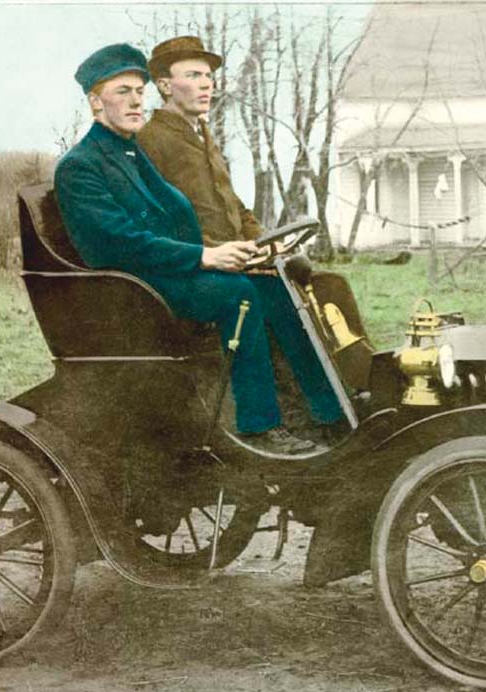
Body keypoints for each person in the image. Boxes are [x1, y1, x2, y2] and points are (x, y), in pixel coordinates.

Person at [53, 43, 324, 455]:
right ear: (95, 101)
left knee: (273, 288)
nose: (135, 100)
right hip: (132, 289)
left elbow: (178, 216)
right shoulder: (81, 165)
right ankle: (258, 428)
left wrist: (242, 251)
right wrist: (205, 256)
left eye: (139, 91)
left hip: (162, 273)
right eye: (122, 91)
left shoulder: (127, 151)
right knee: (241, 297)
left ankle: (323, 413)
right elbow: (118, 243)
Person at [138, 36, 345, 438]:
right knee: (255, 299)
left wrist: (266, 241)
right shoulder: (151, 141)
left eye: (209, 77)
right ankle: (260, 426)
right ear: (164, 85)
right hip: (197, 268)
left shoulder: (202, 135)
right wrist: (216, 252)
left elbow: (234, 205)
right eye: (193, 75)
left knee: (299, 286)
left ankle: (329, 413)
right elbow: (161, 224)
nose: (206, 85)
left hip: (235, 258)